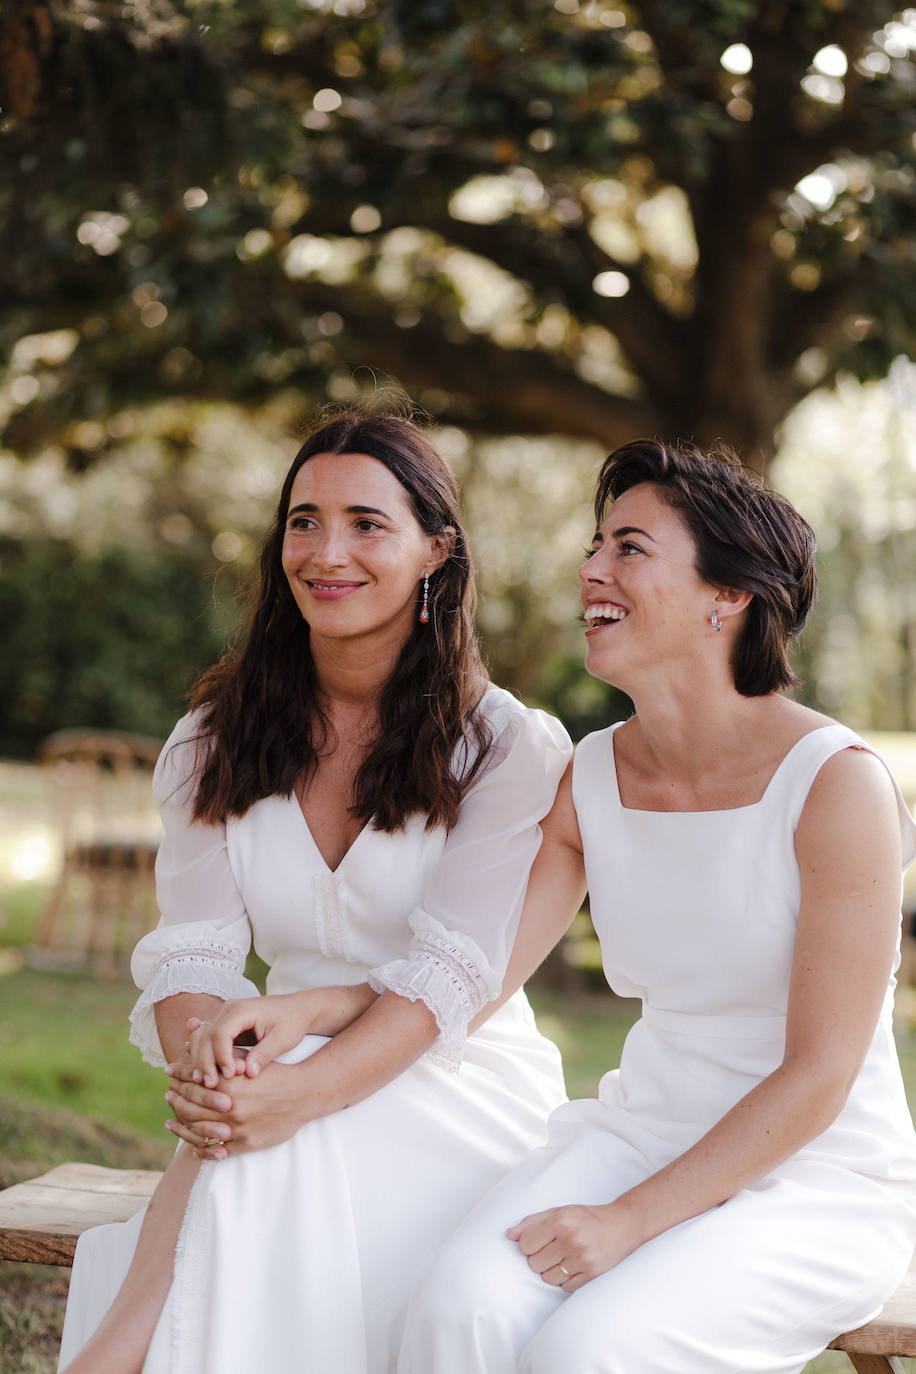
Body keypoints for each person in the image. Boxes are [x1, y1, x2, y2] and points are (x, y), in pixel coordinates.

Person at [57, 410, 572, 1374]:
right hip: (266, 1067)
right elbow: (193, 954)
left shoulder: (505, 747)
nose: (326, 551)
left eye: (367, 523)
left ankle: (111, 1357)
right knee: (254, 1154)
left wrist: (291, 1097)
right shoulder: (211, 740)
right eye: (304, 521)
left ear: (435, 551)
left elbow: (451, 976)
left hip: (455, 1081)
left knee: (265, 1159)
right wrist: (219, 1081)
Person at [399, 438, 916, 1374]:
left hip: (816, 1175)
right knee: (454, 1312)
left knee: (593, 1352)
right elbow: (473, 979)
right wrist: (311, 1015)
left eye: (630, 547)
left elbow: (821, 1075)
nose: (592, 568)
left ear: (729, 597)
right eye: (597, 545)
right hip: (639, 1133)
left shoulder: (835, 786)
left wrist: (627, 1222)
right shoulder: (590, 778)